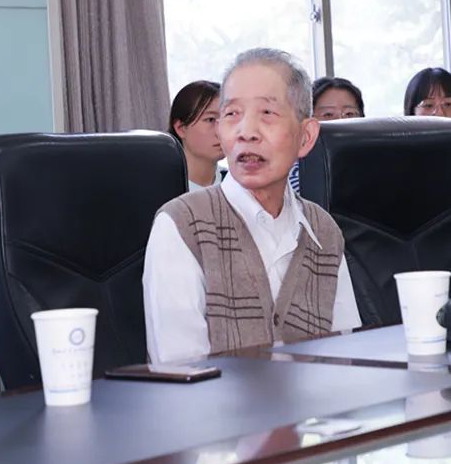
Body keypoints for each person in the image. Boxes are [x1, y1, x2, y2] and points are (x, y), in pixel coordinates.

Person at [143, 48, 361, 363]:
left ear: (305, 137)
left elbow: (345, 357)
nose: (246, 132)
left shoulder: (323, 230)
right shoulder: (181, 225)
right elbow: (181, 372)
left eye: (267, 113)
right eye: (232, 114)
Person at [289, 76, 365, 192]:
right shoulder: (295, 174)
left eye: (349, 114)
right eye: (328, 115)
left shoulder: (375, 162)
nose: (341, 121)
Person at [168, 81, 224, 191]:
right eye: (210, 119)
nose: (221, 131)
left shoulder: (240, 186)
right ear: (181, 128)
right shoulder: (159, 189)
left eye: (227, 118)